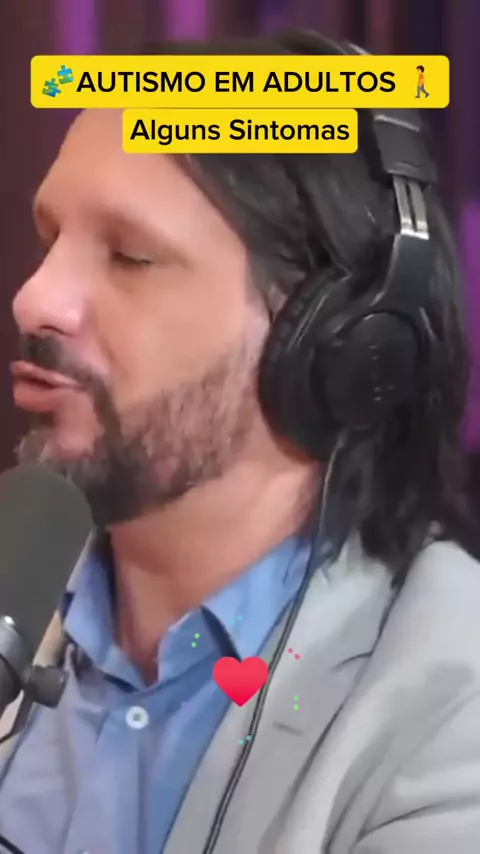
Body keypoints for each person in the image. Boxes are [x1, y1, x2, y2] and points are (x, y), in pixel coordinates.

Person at [0, 27, 479, 854]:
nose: (33, 299)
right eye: (50, 240)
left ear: (333, 341)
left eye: (130, 256)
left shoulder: (452, 706)